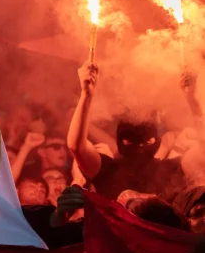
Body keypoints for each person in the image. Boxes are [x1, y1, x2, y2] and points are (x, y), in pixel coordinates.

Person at [67, 61, 196, 201]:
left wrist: (193, 99)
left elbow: (202, 149)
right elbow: (76, 146)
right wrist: (86, 95)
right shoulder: (108, 169)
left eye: (146, 142)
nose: (139, 148)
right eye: (130, 142)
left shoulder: (171, 169)